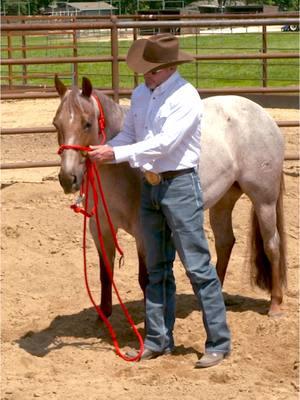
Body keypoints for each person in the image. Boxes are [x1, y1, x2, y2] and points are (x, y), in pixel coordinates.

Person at [89, 33, 231, 368]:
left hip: (180, 186)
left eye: (150, 70)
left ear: (168, 67)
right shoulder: (142, 94)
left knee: (197, 266)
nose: (144, 76)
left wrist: (117, 152)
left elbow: (164, 144)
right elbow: (131, 136)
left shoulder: (185, 97)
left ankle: (219, 342)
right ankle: (158, 338)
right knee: (156, 267)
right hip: (150, 188)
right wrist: (108, 151)